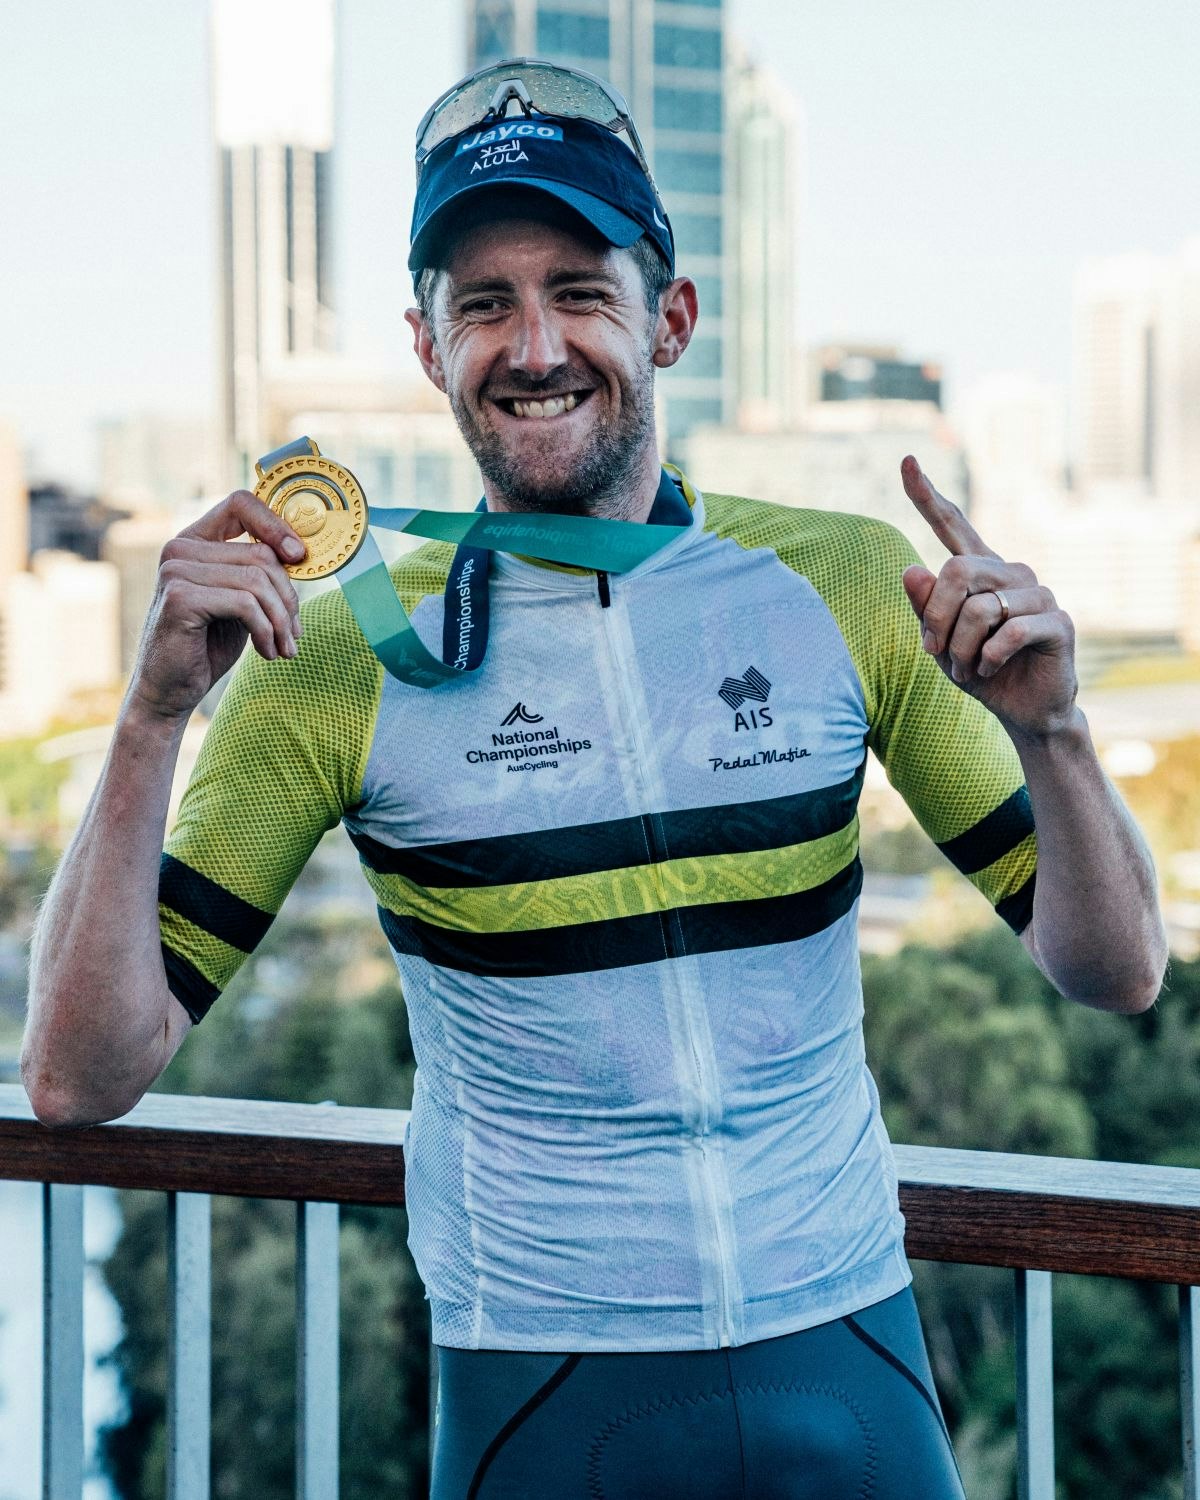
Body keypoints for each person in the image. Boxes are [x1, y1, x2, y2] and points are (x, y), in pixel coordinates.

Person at [22, 58, 1167, 1500]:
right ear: (428, 349)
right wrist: (149, 718)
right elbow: (78, 1074)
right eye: (483, 302)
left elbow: (1115, 973)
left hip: (851, 1351)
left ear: (670, 317)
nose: (535, 341)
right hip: (545, 1387)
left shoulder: (849, 585)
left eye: (579, 286)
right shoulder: (339, 654)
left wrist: (1054, 735)